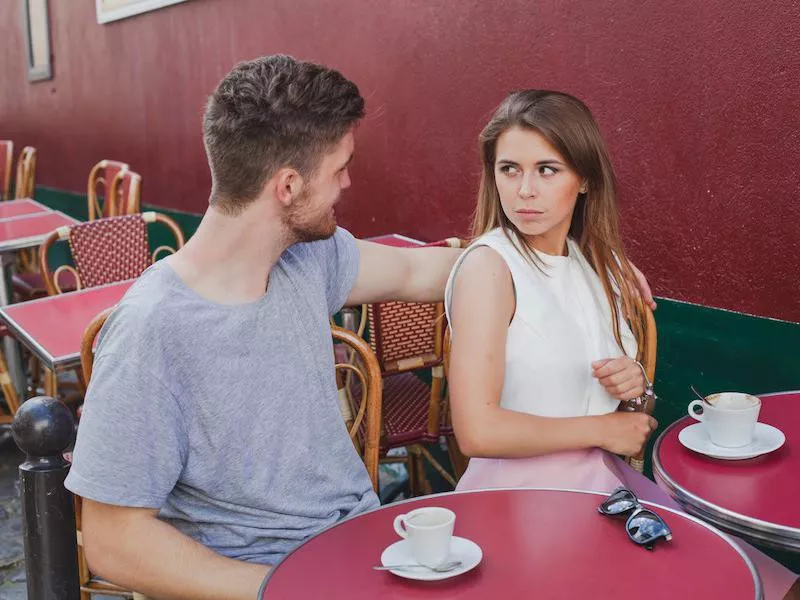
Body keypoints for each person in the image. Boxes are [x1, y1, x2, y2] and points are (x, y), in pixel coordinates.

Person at [64, 55, 465, 600]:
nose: (348, 182)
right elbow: (114, 542)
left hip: (360, 551)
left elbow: (419, 270)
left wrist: (549, 256)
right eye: (340, 167)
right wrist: (292, 589)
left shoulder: (306, 259)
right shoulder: (151, 332)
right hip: (267, 582)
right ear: (289, 186)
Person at [444, 89, 798, 599]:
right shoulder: (489, 268)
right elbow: (477, 431)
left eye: (547, 170)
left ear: (584, 178)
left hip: (604, 485)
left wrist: (633, 390)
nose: (524, 190)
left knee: (771, 586)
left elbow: (634, 414)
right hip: (522, 500)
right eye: (509, 169)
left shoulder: (592, 265)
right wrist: (610, 427)